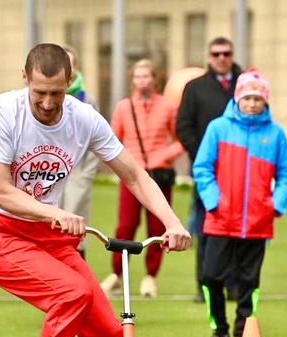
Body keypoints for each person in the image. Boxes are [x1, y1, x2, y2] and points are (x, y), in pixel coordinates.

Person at [0, 44, 190, 337]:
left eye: (57, 93)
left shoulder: (83, 118)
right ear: (25, 79)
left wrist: (172, 223)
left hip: (49, 237)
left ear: (70, 83)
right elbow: (1, 191)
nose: (49, 103)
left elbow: (135, 175)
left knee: (110, 334)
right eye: (40, 93)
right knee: (72, 292)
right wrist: (53, 211)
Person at [192, 68, 287, 337]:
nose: (251, 103)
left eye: (257, 98)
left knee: (249, 284)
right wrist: (214, 202)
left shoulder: (275, 135)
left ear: (265, 101)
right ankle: (220, 332)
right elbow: (202, 168)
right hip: (220, 220)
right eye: (246, 97)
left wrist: (274, 205)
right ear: (237, 98)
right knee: (210, 276)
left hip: (257, 224)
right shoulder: (218, 128)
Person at [99, 59, 184, 298]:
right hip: (131, 174)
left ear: (154, 79)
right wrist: (126, 162)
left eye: (146, 76)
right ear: (132, 80)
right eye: (137, 77)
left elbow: (180, 140)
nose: (142, 81)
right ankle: (117, 274)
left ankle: (150, 276)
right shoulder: (124, 107)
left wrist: (163, 157)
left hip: (159, 174)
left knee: (158, 226)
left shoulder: (168, 107)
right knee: (126, 225)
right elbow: (112, 140)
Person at [176, 37, 243, 303]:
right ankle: (205, 284)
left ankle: (235, 285)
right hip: (208, 173)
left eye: (226, 53)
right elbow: (183, 126)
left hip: (240, 172)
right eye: (216, 53)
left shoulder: (245, 84)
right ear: (209, 57)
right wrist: (201, 156)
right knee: (206, 227)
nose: (222, 58)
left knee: (239, 229)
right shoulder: (195, 88)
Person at [58, 44, 99, 259]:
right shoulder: (49, 98)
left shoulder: (87, 100)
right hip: (51, 175)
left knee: (76, 229)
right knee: (51, 229)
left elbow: (94, 141)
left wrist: (85, 175)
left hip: (77, 175)